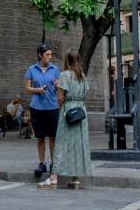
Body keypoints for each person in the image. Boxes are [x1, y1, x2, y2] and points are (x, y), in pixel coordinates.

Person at [38, 52, 91, 189]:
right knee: (78, 145)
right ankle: (75, 178)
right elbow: (85, 94)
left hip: (68, 111)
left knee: (61, 143)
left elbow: (60, 97)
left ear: (66, 61)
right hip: (81, 111)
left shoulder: (64, 75)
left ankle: (54, 177)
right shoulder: (82, 76)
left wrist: (62, 108)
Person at [24, 43, 60, 179]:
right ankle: (41, 163)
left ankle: (53, 163)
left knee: (52, 137)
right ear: (40, 55)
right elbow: (27, 88)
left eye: (51, 55)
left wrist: (58, 85)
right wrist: (37, 90)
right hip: (37, 108)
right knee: (40, 137)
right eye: (47, 55)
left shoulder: (55, 69)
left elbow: (59, 87)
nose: (50, 57)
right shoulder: (31, 69)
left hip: (52, 107)